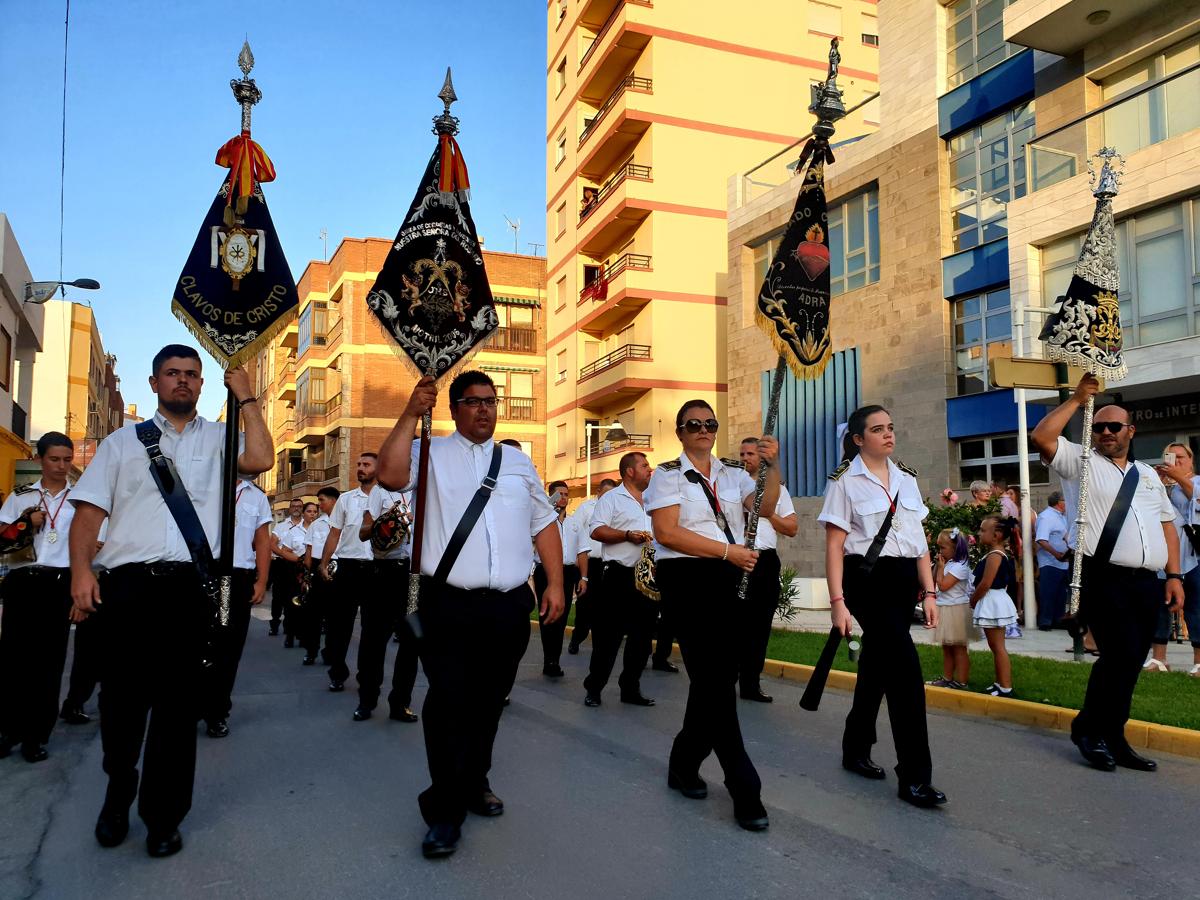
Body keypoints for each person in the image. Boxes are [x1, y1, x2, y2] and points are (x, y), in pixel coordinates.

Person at [68, 344, 273, 857]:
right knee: (120, 704)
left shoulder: (223, 438)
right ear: (154, 382)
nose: (182, 380)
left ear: (202, 384)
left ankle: (163, 817)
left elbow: (262, 459)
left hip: (191, 590)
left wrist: (247, 396)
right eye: (172, 373)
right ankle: (119, 789)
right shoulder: (120, 443)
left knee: (178, 711)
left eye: (191, 374)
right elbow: (89, 515)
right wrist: (81, 573)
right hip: (129, 588)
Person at [376, 371, 564, 859]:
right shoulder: (429, 451)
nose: (484, 409)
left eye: (490, 401)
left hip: (508, 604)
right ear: (454, 409)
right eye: (473, 401)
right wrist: (410, 411)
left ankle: (476, 779)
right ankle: (444, 810)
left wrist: (555, 583)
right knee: (447, 703)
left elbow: (543, 522)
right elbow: (390, 477)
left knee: (489, 703)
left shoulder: (517, 462)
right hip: (448, 604)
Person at [1030, 375, 1182, 772]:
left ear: (1131, 430)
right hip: (1104, 576)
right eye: (1099, 426)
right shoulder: (1079, 462)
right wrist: (1078, 400)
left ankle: (1114, 735)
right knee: (1117, 656)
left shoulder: (1147, 475)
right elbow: (1042, 437)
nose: (1106, 432)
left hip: (1146, 582)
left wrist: (1174, 576)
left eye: (1115, 426)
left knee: (1132, 659)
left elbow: (1167, 525)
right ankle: (1089, 731)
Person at [644, 399, 780, 831]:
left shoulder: (734, 472)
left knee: (714, 679)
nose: (703, 429)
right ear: (680, 432)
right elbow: (667, 532)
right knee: (716, 681)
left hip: (730, 578)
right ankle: (745, 786)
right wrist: (727, 551)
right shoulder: (667, 474)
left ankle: (683, 763)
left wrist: (771, 466)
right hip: (688, 581)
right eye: (694, 424)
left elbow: (765, 508)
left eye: (710, 423)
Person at [819, 404, 946, 808]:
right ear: (858, 439)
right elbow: (835, 547)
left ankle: (855, 747)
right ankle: (915, 777)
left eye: (890, 427)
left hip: (904, 580)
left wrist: (929, 592)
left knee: (876, 665)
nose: (888, 434)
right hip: (866, 580)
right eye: (878, 429)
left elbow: (919, 540)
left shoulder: (906, 477)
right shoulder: (844, 482)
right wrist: (837, 602)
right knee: (905, 673)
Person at [0, 433, 81, 762]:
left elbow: (89, 549)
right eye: (54, 459)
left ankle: (36, 736)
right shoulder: (20, 497)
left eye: (67, 460)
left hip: (59, 584)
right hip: (22, 583)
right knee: (13, 661)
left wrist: (80, 594)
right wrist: (24, 523)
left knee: (49, 664)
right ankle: (8, 730)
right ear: (39, 459)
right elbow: (2, 540)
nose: (61, 466)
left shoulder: (80, 500)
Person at [582, 452, 655, 707]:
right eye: (644, 465)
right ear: (629, 471)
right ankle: (594, 688)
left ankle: (630, 688)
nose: (650, 469)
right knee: (608, 637)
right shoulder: (612, 498)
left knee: (642, 638)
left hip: (648, 576)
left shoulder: (655, 498)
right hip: (619, 575)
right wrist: (627, 535)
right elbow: (596, 529)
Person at [201, 477, 272, 738]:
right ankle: (191, 702)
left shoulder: (256, 496)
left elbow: (262, 540)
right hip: (203, 572)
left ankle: (217, 712)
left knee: (228, 648)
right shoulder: (205, 481)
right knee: (196, 643)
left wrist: (261, 581)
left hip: (236, 577)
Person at [737, 436, 797, 702]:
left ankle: (751, 683)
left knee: (760, 626)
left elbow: (792, 528)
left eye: (750, 453)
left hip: (765, 561)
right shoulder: (731, 485)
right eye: (742, 454)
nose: (745, 458)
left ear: (763, 458)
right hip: (736, 558)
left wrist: (767, 510)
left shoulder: (778, 490)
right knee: (734, 623)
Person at [355, 481, 419, 723]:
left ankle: (400, 704)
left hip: (416, 577)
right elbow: (363, 533)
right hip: (384, 570)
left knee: (412, 641)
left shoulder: (426, 488)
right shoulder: (380, 491)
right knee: (373, 639)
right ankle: (366, 700)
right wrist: (386, 522)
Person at [319, 453, 379, 693]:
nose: (361, 468)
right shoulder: (346, 499)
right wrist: (324, 563)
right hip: (348, 567)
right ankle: (337, 673)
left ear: (378, 468)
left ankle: (367, 677)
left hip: (376, 570)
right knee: (339, 626)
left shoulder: (389, 497)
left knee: (372, 629)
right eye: (359, 464)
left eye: (366, 465)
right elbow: (334, 533)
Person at [1145, 442, 1199, 676]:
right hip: (1163, 557)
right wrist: (1156, 482)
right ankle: (1159, 658)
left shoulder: (1196, 482)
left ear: (1191, 460)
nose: (1176, 461)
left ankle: (1199, 661)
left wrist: (1178, 477)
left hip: (1193, 556)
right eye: (1171, 457)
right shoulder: (1160, 484)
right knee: (1161, 607)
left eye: (1181, 457)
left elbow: (1197, 499)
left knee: (1196, 607)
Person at [535, 480, 581, 678]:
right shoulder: (542, 520)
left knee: (562, 615)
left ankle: (555, 659)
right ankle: (549, 660)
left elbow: (582, 550)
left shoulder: (574, 523)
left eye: (566, 494)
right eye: (559, 494)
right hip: (545, 571)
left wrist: (583, 577)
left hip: (568, 572)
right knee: (547, 615)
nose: (563, 498)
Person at [969, 516, 1019, 698]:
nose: (979, 533)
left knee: (998, 646)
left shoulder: (995, 555)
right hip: (993, 599)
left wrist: (973, 600)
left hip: (993, 601)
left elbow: (986, 583)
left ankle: (1005, 686)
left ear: (996, 535)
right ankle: (1000, 683)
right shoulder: (995, 554)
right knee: (995, 645)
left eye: (983, 530)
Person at [567, 478, 616, 655]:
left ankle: (599, 645)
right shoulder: (587, 508)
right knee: (585, 605)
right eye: (606, 493)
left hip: (609, 563)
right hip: (589, 563)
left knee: (604, 608)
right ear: (598, 492)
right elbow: (575, 532)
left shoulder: (616, 508)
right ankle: (577, 638)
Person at [927, 528, 974, 689]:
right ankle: (947, 678)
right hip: (945, 607)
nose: (940, 551)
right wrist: (938, 565)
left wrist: (941, 568)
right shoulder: (948, 563)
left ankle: (961, 681)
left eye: (943, 548)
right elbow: (934, 580)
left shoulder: (960, 566)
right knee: (947, 647)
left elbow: (943, 585)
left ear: (955, 548)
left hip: (956, 609)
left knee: (959, 648)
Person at [301, 488, 339, 667]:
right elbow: (309, 551)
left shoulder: (346, 522)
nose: (319, 504)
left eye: (322, 500)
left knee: (335, 616)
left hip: (338, 568)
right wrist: (307, 576)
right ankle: (311, 650)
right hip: (318, 568)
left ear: (333, 501)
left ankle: (330, 652)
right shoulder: (316, 524)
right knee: (313, 615)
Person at [269, 498, 305, 639]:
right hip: (282, 564)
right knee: (278, 596)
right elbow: (272, 544)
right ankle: (274, 623)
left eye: (299, 506)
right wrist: (285, 555)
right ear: (289, 509)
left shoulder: (307, 525)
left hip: (300, 565)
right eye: (294, 506)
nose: (296, 508)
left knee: (295, 595)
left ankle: (289, 626)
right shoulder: (281, 526)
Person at [1035, 491, 1071, 631]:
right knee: (1048, 592)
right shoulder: (1046, 517)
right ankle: (1045, 621)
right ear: (1059, 502)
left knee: (1061, 593)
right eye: (1065, 500)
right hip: (1050, 561)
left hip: (1063, 562)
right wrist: (1056, 554)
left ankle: (1057, 619)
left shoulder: (1062, 517)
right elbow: (1041, 539)